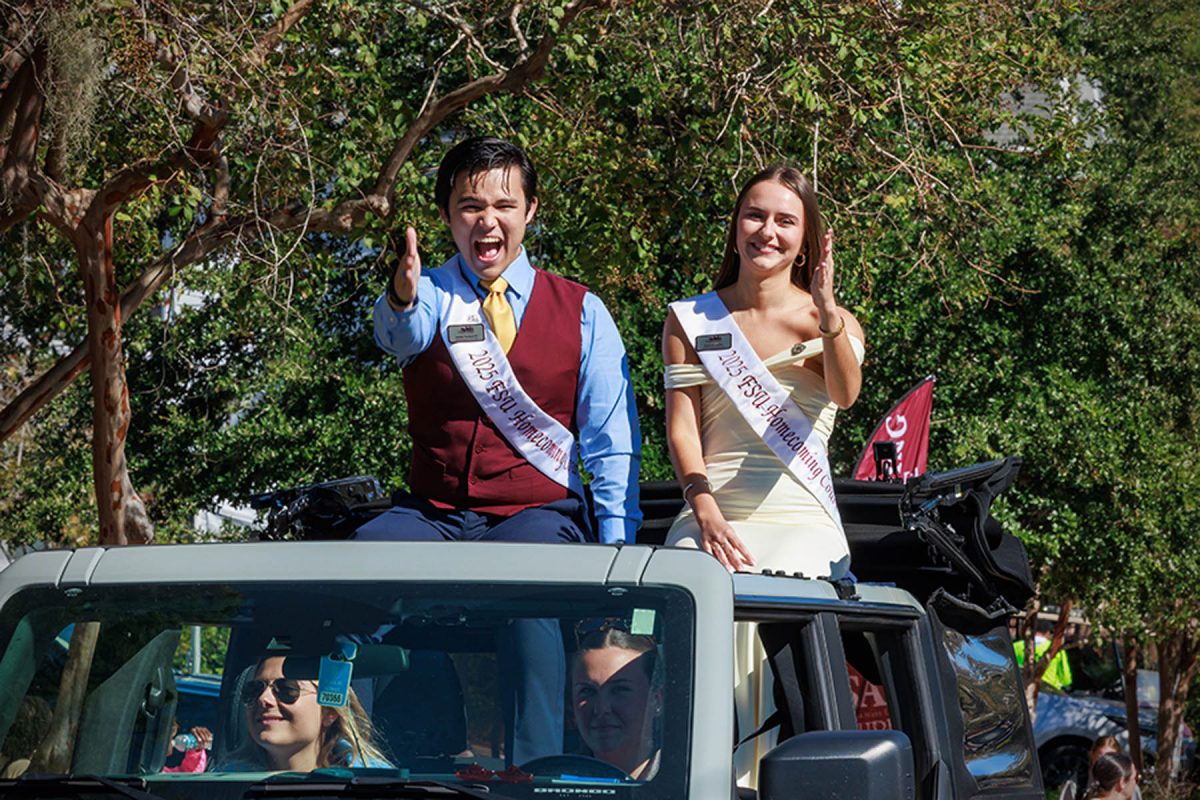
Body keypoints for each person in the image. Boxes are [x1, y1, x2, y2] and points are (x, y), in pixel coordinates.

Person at [358, 135, 642, 764]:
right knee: (355, 576)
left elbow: (611, 443)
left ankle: (534, 771)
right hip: (431, 511)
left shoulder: (583, 311)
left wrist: (619, 551)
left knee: (528, 596)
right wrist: (401, 297)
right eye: (469, 206)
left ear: (529, 211)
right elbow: (398, 333)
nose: (487, 220)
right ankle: (348, 758)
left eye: (503, 205)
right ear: (447, 218)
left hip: (536, 513)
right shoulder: (429, 293)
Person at [662, 164, 865, 577]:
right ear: (736, 228)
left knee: (777, 581)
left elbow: (846, 395)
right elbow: (682, 429)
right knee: (689, 578)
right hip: (709, 509)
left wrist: (827, 313)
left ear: (804, 241)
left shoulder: (830, 321)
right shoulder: (690, 319)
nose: (767, 231)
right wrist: (704, 510)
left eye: (785, 221)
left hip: (800, 518)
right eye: (755, 216)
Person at [222, 656, 387, 772]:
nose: (263, 699)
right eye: (255, 689)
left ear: (329, 711)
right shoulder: (222, 786)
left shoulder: (374, 788)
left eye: (287, 689)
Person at [570, 628, 662, 780]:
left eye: (619, 690)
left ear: (657, 699)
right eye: (587, 691)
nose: (601, 708)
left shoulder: (689, 781)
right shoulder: (549, 780)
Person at [1059, 737, 1143, 800]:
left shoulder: (1130, 786)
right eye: (1101, 758)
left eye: (1111, 760)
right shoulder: (1077, 784)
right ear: (1092, 754)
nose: (1106, 764)